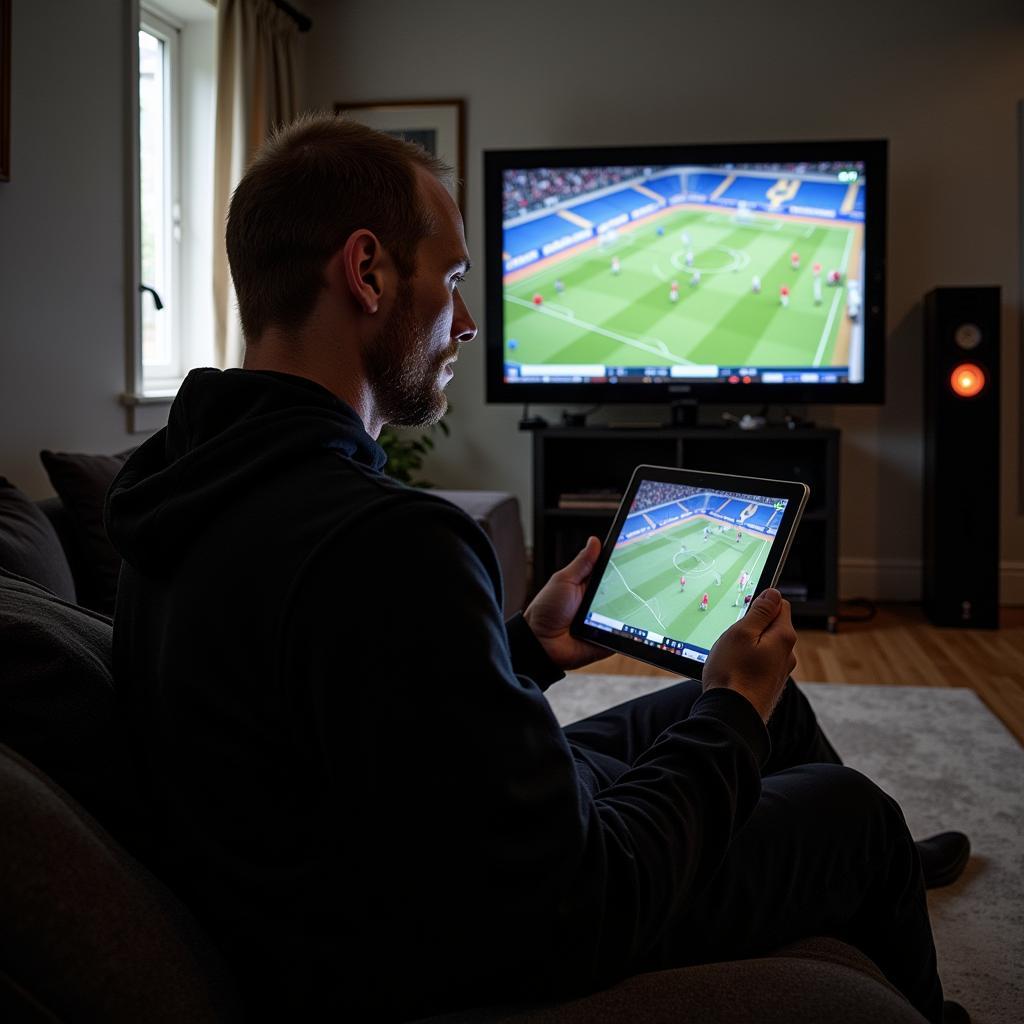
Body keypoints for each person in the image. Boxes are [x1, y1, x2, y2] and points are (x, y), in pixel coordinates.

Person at [104, 113, 967, 1024]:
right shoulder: (389, 542)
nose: (469, 321)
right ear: (367, 272)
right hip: (448, 935)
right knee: (847, 808)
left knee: (774, 709)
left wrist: (523, 651)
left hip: (389, 846)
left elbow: (347, 699)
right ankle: (881, 872)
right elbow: (581, 906)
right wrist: (731, 707)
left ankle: (876, 875)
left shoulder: (181, 491)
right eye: (455, 278)